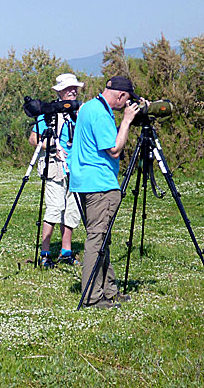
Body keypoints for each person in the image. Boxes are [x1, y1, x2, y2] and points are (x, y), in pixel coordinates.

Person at [69, 76, 142, 309]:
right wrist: (127, 121)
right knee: (97, 239)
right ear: (120, 95)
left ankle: (108, 290)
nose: (125, 106)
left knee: (102, 238)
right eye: (126, 101)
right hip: (99, 184)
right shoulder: (101, 114)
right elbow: (114, 149)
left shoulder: (89, 106)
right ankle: (92, 297)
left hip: (83, 181)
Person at [29, 73, 83, 268]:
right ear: (59, 91)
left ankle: (66, 251)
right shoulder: (49, 112)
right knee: (54, 208)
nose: (72, 91)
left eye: (74, 88)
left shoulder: (80, 112)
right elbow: (34, 139)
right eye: (68, 88)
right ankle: (45, 252)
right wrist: (52, 147)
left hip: (76, 165)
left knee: (72, 209)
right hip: (54, 165)